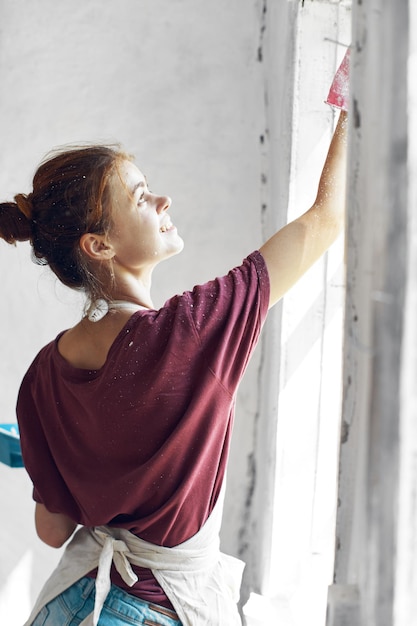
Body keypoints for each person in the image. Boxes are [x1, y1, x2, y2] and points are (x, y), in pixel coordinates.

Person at [0, 51, 349, 626]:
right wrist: (348, 97)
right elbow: (327, 218)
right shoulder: (193, 330)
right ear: (99, 246)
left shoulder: (41, 374)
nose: (163, 201)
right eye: (140, 197)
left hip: (70, 606)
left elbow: (52, 528)